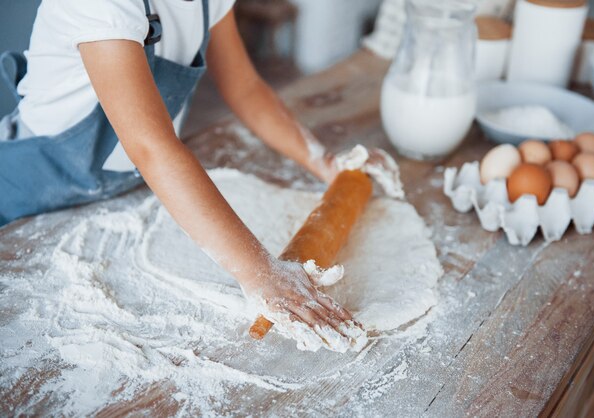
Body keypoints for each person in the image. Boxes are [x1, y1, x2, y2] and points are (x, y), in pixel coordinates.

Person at [0, 0, 367, 351]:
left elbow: (246, 88)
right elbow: (151, 147)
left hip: (124, 184)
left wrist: (325, 163)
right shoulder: (102, 3)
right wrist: (261, 272)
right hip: (27, 195)